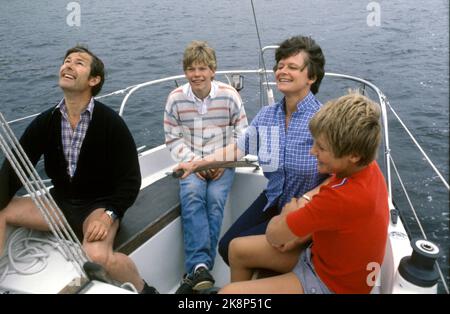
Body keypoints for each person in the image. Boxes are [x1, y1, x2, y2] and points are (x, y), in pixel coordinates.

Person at [0, 45, 158, 294]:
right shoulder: (47, 121)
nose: (69, 65)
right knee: (2, 209)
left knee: (97, 257)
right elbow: (14, 170)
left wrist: (109, 214)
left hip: (96, 207)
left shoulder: (110, 123)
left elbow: (130, 180)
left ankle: (144, 289)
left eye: (79, 62)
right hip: (59, 204)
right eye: (67, 60)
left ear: (93, 80)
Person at [175, 35, 327, 266]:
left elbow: (342, 176)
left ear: (312, 77)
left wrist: (307, 200)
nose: (282, 71)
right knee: (227, 247)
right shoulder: (268, 115)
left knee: (237, 249)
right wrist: (197, 164)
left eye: (292, 67)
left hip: (309, 209)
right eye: (280, 65)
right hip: (275, 199)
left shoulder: (324, 120)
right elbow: (237, 148)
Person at [219, 92, 389, 294]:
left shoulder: (338, 198)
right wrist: (301, 220)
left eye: (322, 147)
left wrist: (287, 214)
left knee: (228, 293)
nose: (312, 151)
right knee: (236, 248)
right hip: (322, 258)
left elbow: (274, 235)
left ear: (353, 155)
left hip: (330, 284)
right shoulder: (366, 167)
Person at [163, 41, 248, 293]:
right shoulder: (175, 100)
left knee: (215, 198)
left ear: (213, 70)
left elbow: (242, 135)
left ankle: (198, 270)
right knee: (192, 195)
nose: (196, 74)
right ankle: (201, 268)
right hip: (190, 164)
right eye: (191, 69)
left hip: (223, 161)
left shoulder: (229, 95)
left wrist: (221, 161)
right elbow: (172, 137)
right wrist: (194, 163)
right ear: (185, 72)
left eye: (202, 68)